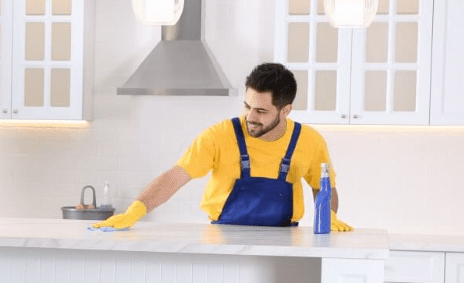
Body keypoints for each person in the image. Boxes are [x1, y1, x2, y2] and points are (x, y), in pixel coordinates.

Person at [98, 63, 354, 231]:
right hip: (222, 237)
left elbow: (324, 187)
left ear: (285, 110)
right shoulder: (220, 136)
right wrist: (135, 211)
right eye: (247, 106)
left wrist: (329, 217)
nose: (250, 117)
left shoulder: (309, 141)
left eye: (261, 111)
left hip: (284, 241)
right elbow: (176, 176)